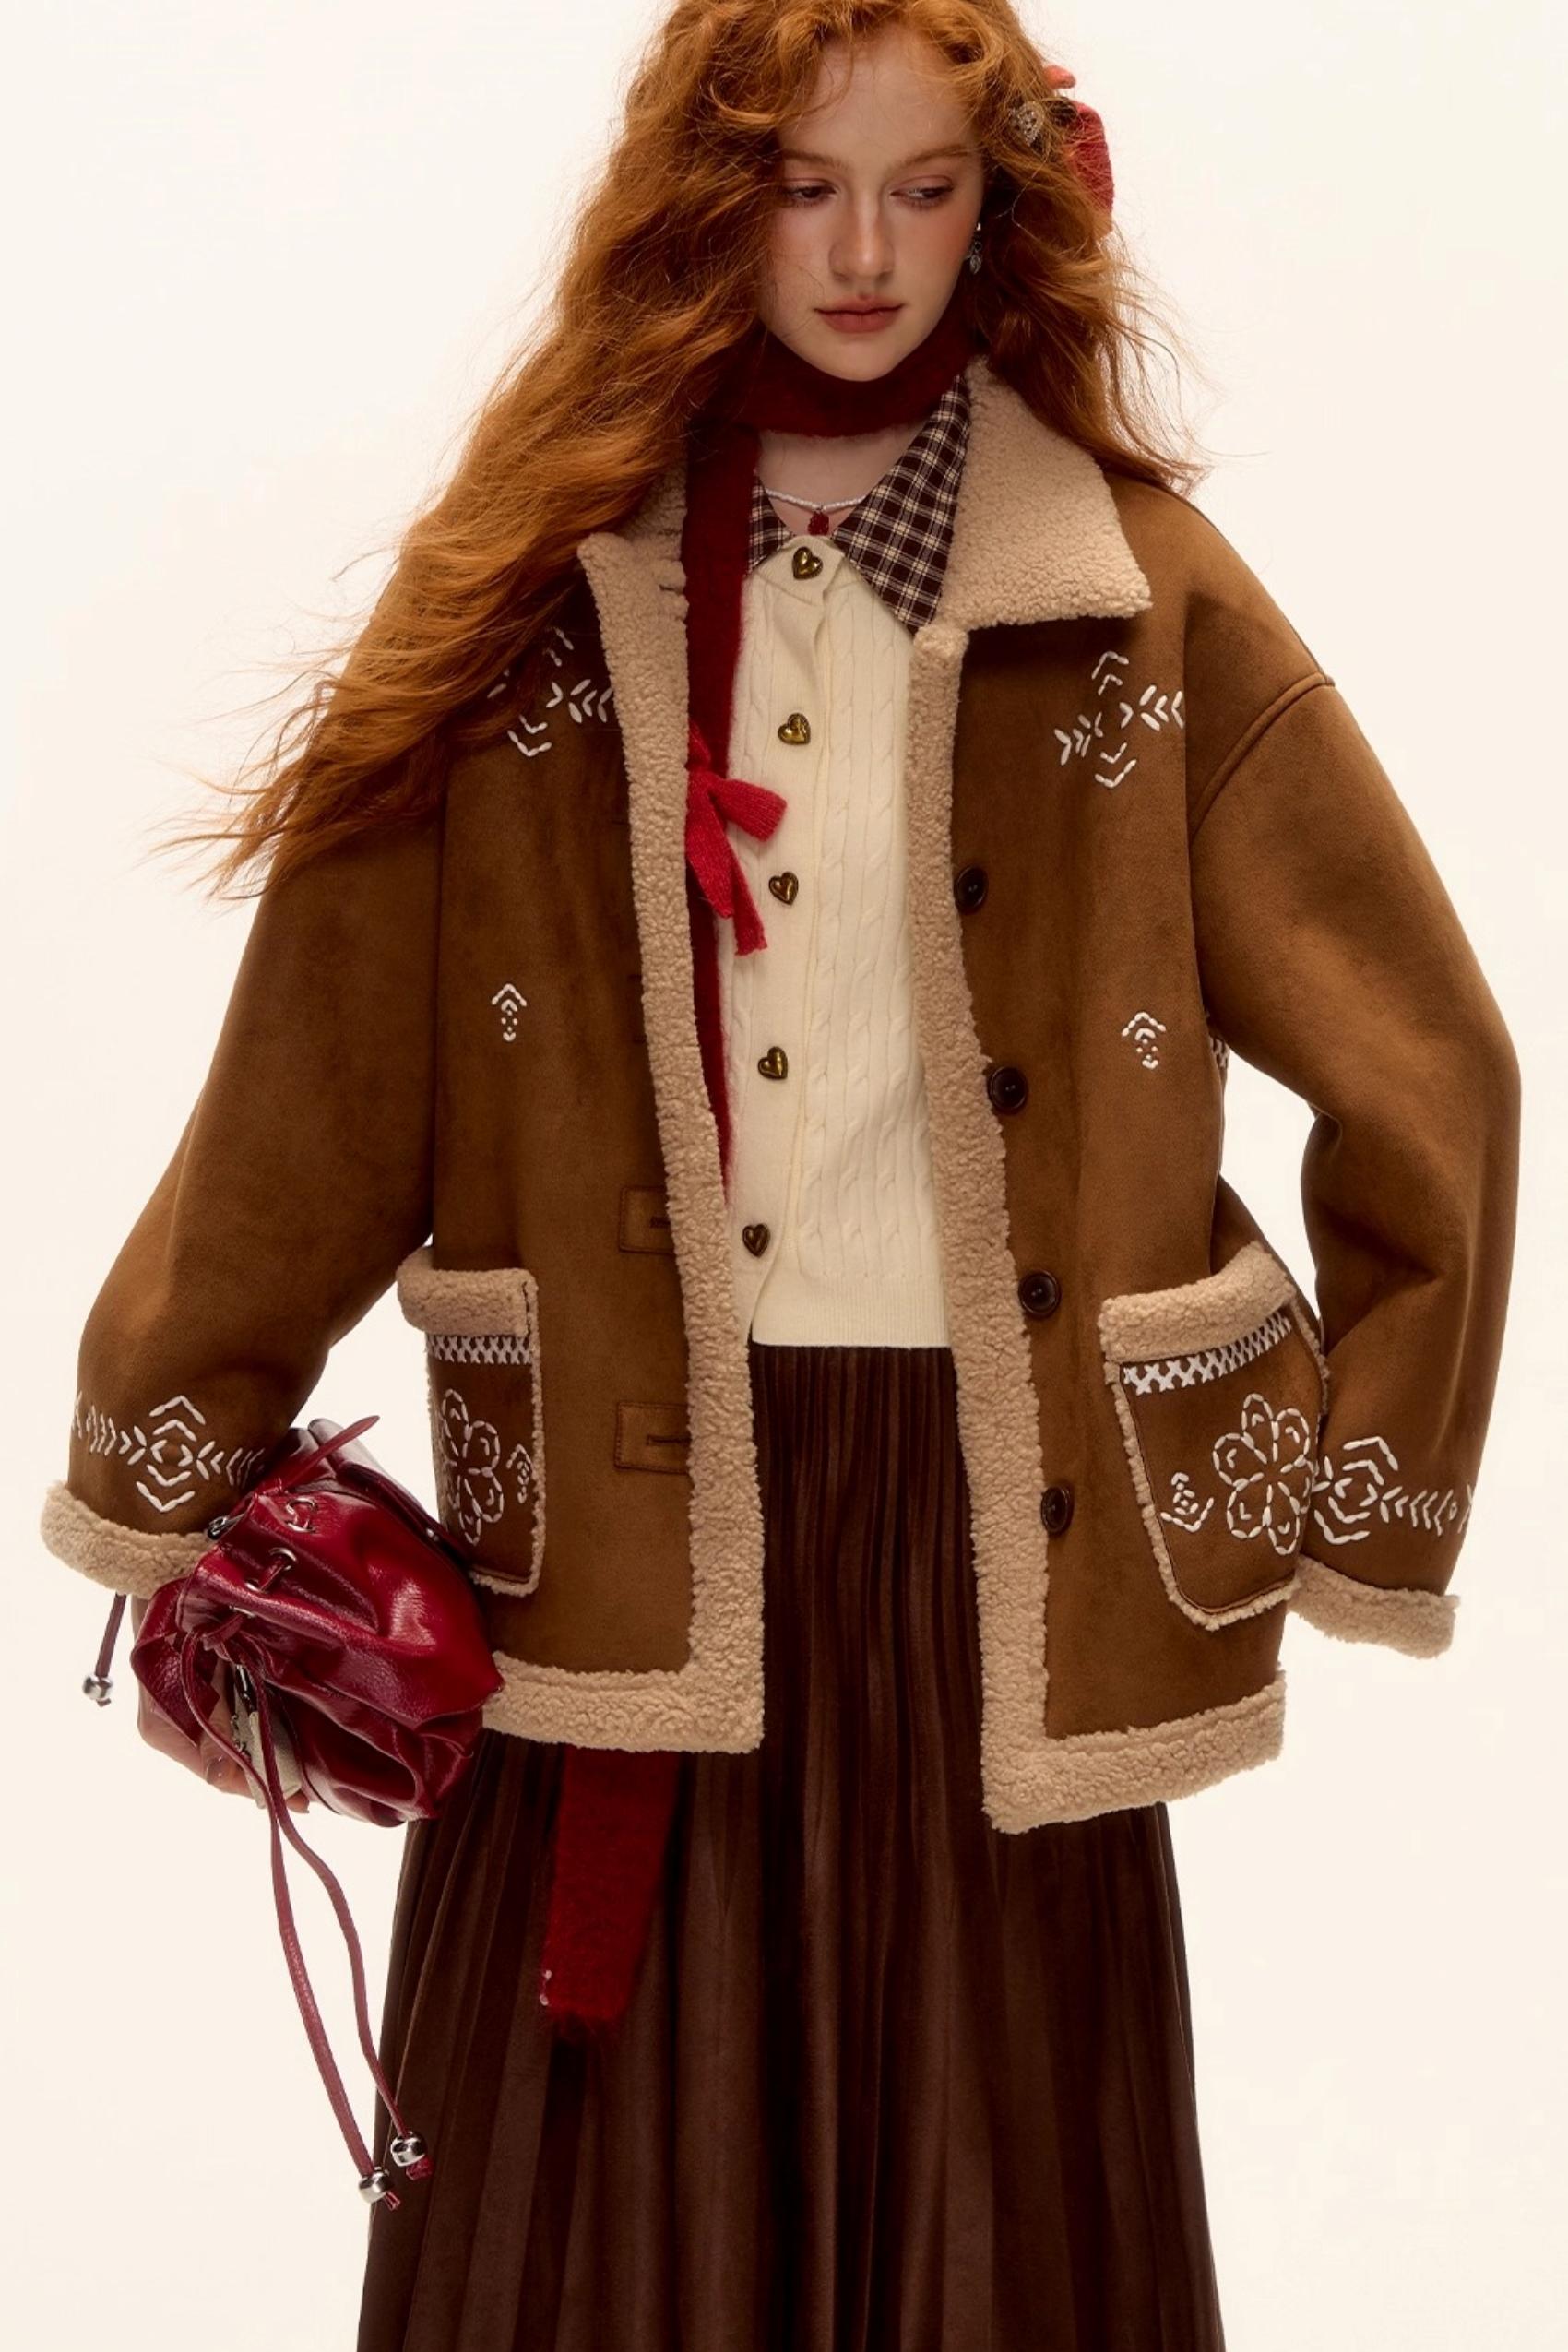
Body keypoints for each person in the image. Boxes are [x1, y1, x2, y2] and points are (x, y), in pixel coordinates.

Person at [39, 4, 1521, 2346]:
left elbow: (1433, 1065)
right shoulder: (530, 590)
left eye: (922, 190)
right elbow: (315, 1070)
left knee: (998, 2195)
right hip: (609, 1554)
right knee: (585, 2214)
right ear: (703, 200)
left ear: (1002, 204)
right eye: (803, 190)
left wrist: (1368, 1484)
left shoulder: (1137, 597)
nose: (860, 254)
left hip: (996, 1536)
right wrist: (174, 1444)